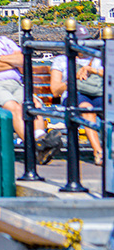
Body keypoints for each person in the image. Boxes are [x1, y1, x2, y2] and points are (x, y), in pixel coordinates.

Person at [0, 3, 62, 162]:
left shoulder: (5, 42)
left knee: (33, 104)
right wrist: (10, 62)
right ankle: (37, 146)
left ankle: (41, 142)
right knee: (13, 107)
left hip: (15, 84)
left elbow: (22, 59)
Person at [50, 31, 104, 165]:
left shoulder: (98, 58)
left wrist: (92, 70)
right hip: (74, 95)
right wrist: (73, 78)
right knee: (87, 109)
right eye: (81, 41)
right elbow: (55, 90)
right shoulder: (61, 60)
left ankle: (108, 149)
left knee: (109, 108)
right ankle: (99, 152)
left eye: (87, 40)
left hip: (97, 93)